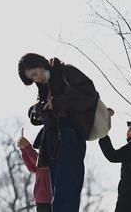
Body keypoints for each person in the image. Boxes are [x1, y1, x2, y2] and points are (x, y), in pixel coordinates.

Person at [18, 53, 99, 212]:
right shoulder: (44, 87)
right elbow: (46, 108)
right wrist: (37, 111)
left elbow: (89, 93)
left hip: (69, 135)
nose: (36, 79)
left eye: (35, 73)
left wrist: (56, 103)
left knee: (65, 193)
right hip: (53, 139)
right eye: (32, 78)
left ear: (40, 63)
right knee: (58, 194)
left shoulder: (65, 71)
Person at [17, 129, 52, 212]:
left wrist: (27, 147)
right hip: (41, 200)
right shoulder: (43, 159)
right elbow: (32, 167)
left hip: (49, 200)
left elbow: (40, 163)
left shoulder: (53, 157)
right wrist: (23, 150)